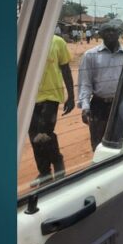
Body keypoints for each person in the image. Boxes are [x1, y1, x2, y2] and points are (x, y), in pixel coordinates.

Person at [28, 34, 75, 187]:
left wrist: (71, 95)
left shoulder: (57, 41)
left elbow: (66, 69)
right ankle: (44, 172)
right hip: (28, 97)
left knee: (45, 134)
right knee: (34, 136)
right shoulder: (22, 38)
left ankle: (57, 161)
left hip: (51, 96)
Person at [78, 19, 123, 150]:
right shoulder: (91, 55)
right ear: (101, 34)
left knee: (121, 144)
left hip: (121, 105)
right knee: (98, 144)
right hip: (99, 106)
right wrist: (85, 106)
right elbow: (85, 83)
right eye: (107, 31)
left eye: (114, 30)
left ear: (119, 33)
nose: (111, 33)